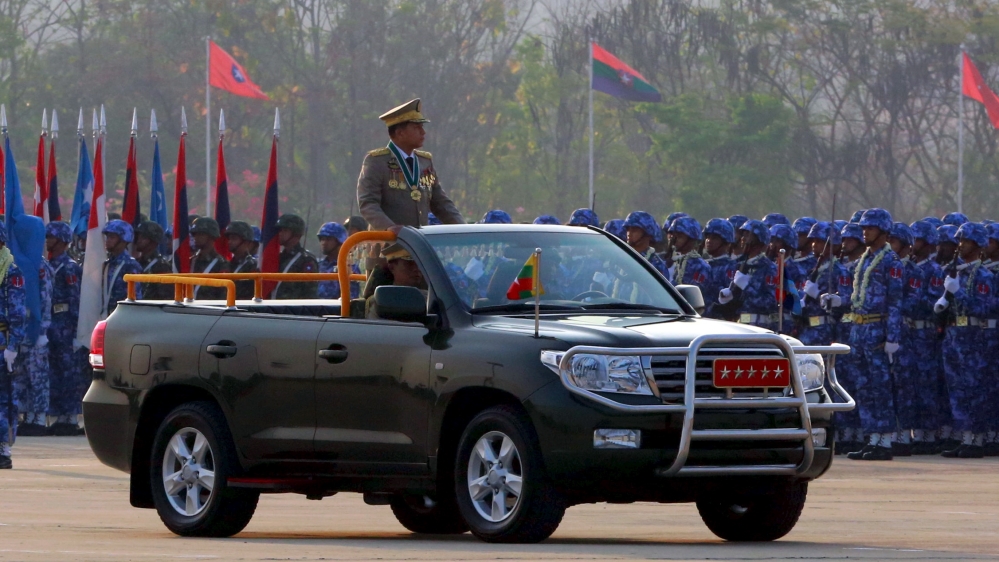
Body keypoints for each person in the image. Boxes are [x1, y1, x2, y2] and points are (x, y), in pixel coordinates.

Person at [822, 209, 902, 461]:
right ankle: (872, 437)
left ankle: (885, 441)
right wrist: (839, 301)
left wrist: (893, 338)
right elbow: (858, 298)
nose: (864, 232)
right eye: (863, 228)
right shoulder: (864, 261)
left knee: (880, 387)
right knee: (863, 387)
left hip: (878, 329)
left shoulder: (891, 262)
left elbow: (895, 303)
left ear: (882, 231)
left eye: (869, 228)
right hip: (859, 329)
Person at [357, 99, 464, 230]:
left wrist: (462, 227)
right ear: (399, 133)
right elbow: (368, 204)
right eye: (416, 127)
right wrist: (390, 228)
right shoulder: (377, 161)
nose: (423, 132)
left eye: (422, 127)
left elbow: (441, 203)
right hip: (388, 244)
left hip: (418, 244)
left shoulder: (425, 162)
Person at [934, 222, 993, 458]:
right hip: (954, 337)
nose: (961, 245)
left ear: (978, 245)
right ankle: (964, 437)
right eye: (960, 240)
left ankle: (976, 440)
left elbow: (985, 307)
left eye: (966, 241)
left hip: (973, 338)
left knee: (973, 390)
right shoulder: (956, 272)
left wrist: (957, 292)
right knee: (956, 390)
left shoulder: (984, 275)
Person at [886, 222, 925, 457]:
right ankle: (887, 433)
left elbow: (913, 303)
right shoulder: (882, 268)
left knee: (903, 385)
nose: (890, 246)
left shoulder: (914, 272)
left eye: (895, 242)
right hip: (883, 331)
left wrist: (890, 303)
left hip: (903, 332)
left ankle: (903, 434)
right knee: (884, 385)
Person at [43, 222, 85, 436]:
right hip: (52, 323)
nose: (47, 240)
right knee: (55, 372)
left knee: (69, 373)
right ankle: (58, 415)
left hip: (66, 325)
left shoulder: (69, 266)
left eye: (51, 237)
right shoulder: (50, 264)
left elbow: (75, 298)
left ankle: (69, 417)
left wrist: (78, 331)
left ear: (62, 240)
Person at [13, 253, 53, 437]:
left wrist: (43, 329)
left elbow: (45, 298)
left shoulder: (39, 264)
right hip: (21, 329)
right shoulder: (16, 261)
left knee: (38, 376)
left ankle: (39, 417)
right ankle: (28, 415)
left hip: (36, 329)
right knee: (22, 376)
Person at [714, 220, 779, 330]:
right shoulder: (739, 265)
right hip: (738, 325)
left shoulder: (769, 268)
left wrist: (747, 287)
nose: (743, 238)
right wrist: (728, 296)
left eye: (748, 235)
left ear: (759, 239)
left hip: (759, 327)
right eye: (743, 234)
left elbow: (771, 303)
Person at [0, 228, 27, 469]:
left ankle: (2, 449)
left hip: (2, 340)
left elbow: (17, 313)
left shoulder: (10, 270)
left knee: (3, 398)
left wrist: (13, 346)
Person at [796, 222, 847, 347]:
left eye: (819, 242)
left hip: (824, 331)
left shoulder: (839, 271)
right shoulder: (813, 269)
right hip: (806, 330)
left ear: (832, 246)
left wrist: (818, 295)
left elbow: (847, 302)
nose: (814, 245)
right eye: (813, 241)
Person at [366, 243, 427, 319]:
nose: (417, 268)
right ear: (392, 267)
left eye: (419, 263)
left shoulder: (434, 298)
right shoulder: (382, 301)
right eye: (410, 263)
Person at [101, 219, 142, 317]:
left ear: (124, 239)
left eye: (112, 237)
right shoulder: (107, 264)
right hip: (105, 317)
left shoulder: (130, 265)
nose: (108, 240)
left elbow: (135, 299)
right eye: (107, 237)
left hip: (122, 319)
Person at [273, 214, 319, 299]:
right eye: (280, 230)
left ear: (296, 234)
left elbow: (309, 293)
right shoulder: (278, 257)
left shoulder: (306, 260)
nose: (280, 233)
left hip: (293, 309)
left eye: (285, 230)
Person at [701, 218, 738, 318]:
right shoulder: (701, 264)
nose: (709, 241)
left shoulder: (731, 267)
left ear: (726, 241)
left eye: (714, 238)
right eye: (708, 237)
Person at [316, 222, 360, 300]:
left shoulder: (350, 267)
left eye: (328, 239)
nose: (324, 243)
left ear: (339, 241)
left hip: (337, 309)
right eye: (322, 239)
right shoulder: (319, 265)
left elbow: (351, 298)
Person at [666, 217, 710, 292]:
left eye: (680, 237)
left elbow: (694, 293)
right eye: (674, 236)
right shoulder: (668, 262)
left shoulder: (701, 266)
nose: (674, 240)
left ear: (692, 240)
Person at [189, 217, 229, 301]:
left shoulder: (221, 264)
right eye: (195, 234)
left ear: (212, 236)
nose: (196, 238)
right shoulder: (191, 261)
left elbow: (223, 296)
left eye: (201, 234)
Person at [133, 221, 173, 300]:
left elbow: (165, 298)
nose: (138, 240)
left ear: (153, 240)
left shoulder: (161, 266)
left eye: (143, 237)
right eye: (138, 236)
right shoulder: (136, 263)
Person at [622, 211, 669, 277]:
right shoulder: (621, 259)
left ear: (647, 233)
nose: (629, 233)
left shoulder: (657, 266)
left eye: (634, 230)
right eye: (628, 229)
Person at [225, 221, 259, 300]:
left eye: (234, 239)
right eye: (229, 238)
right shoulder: (226, 264)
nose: (229, 242)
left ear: (246, 242)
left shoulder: (253, 266)